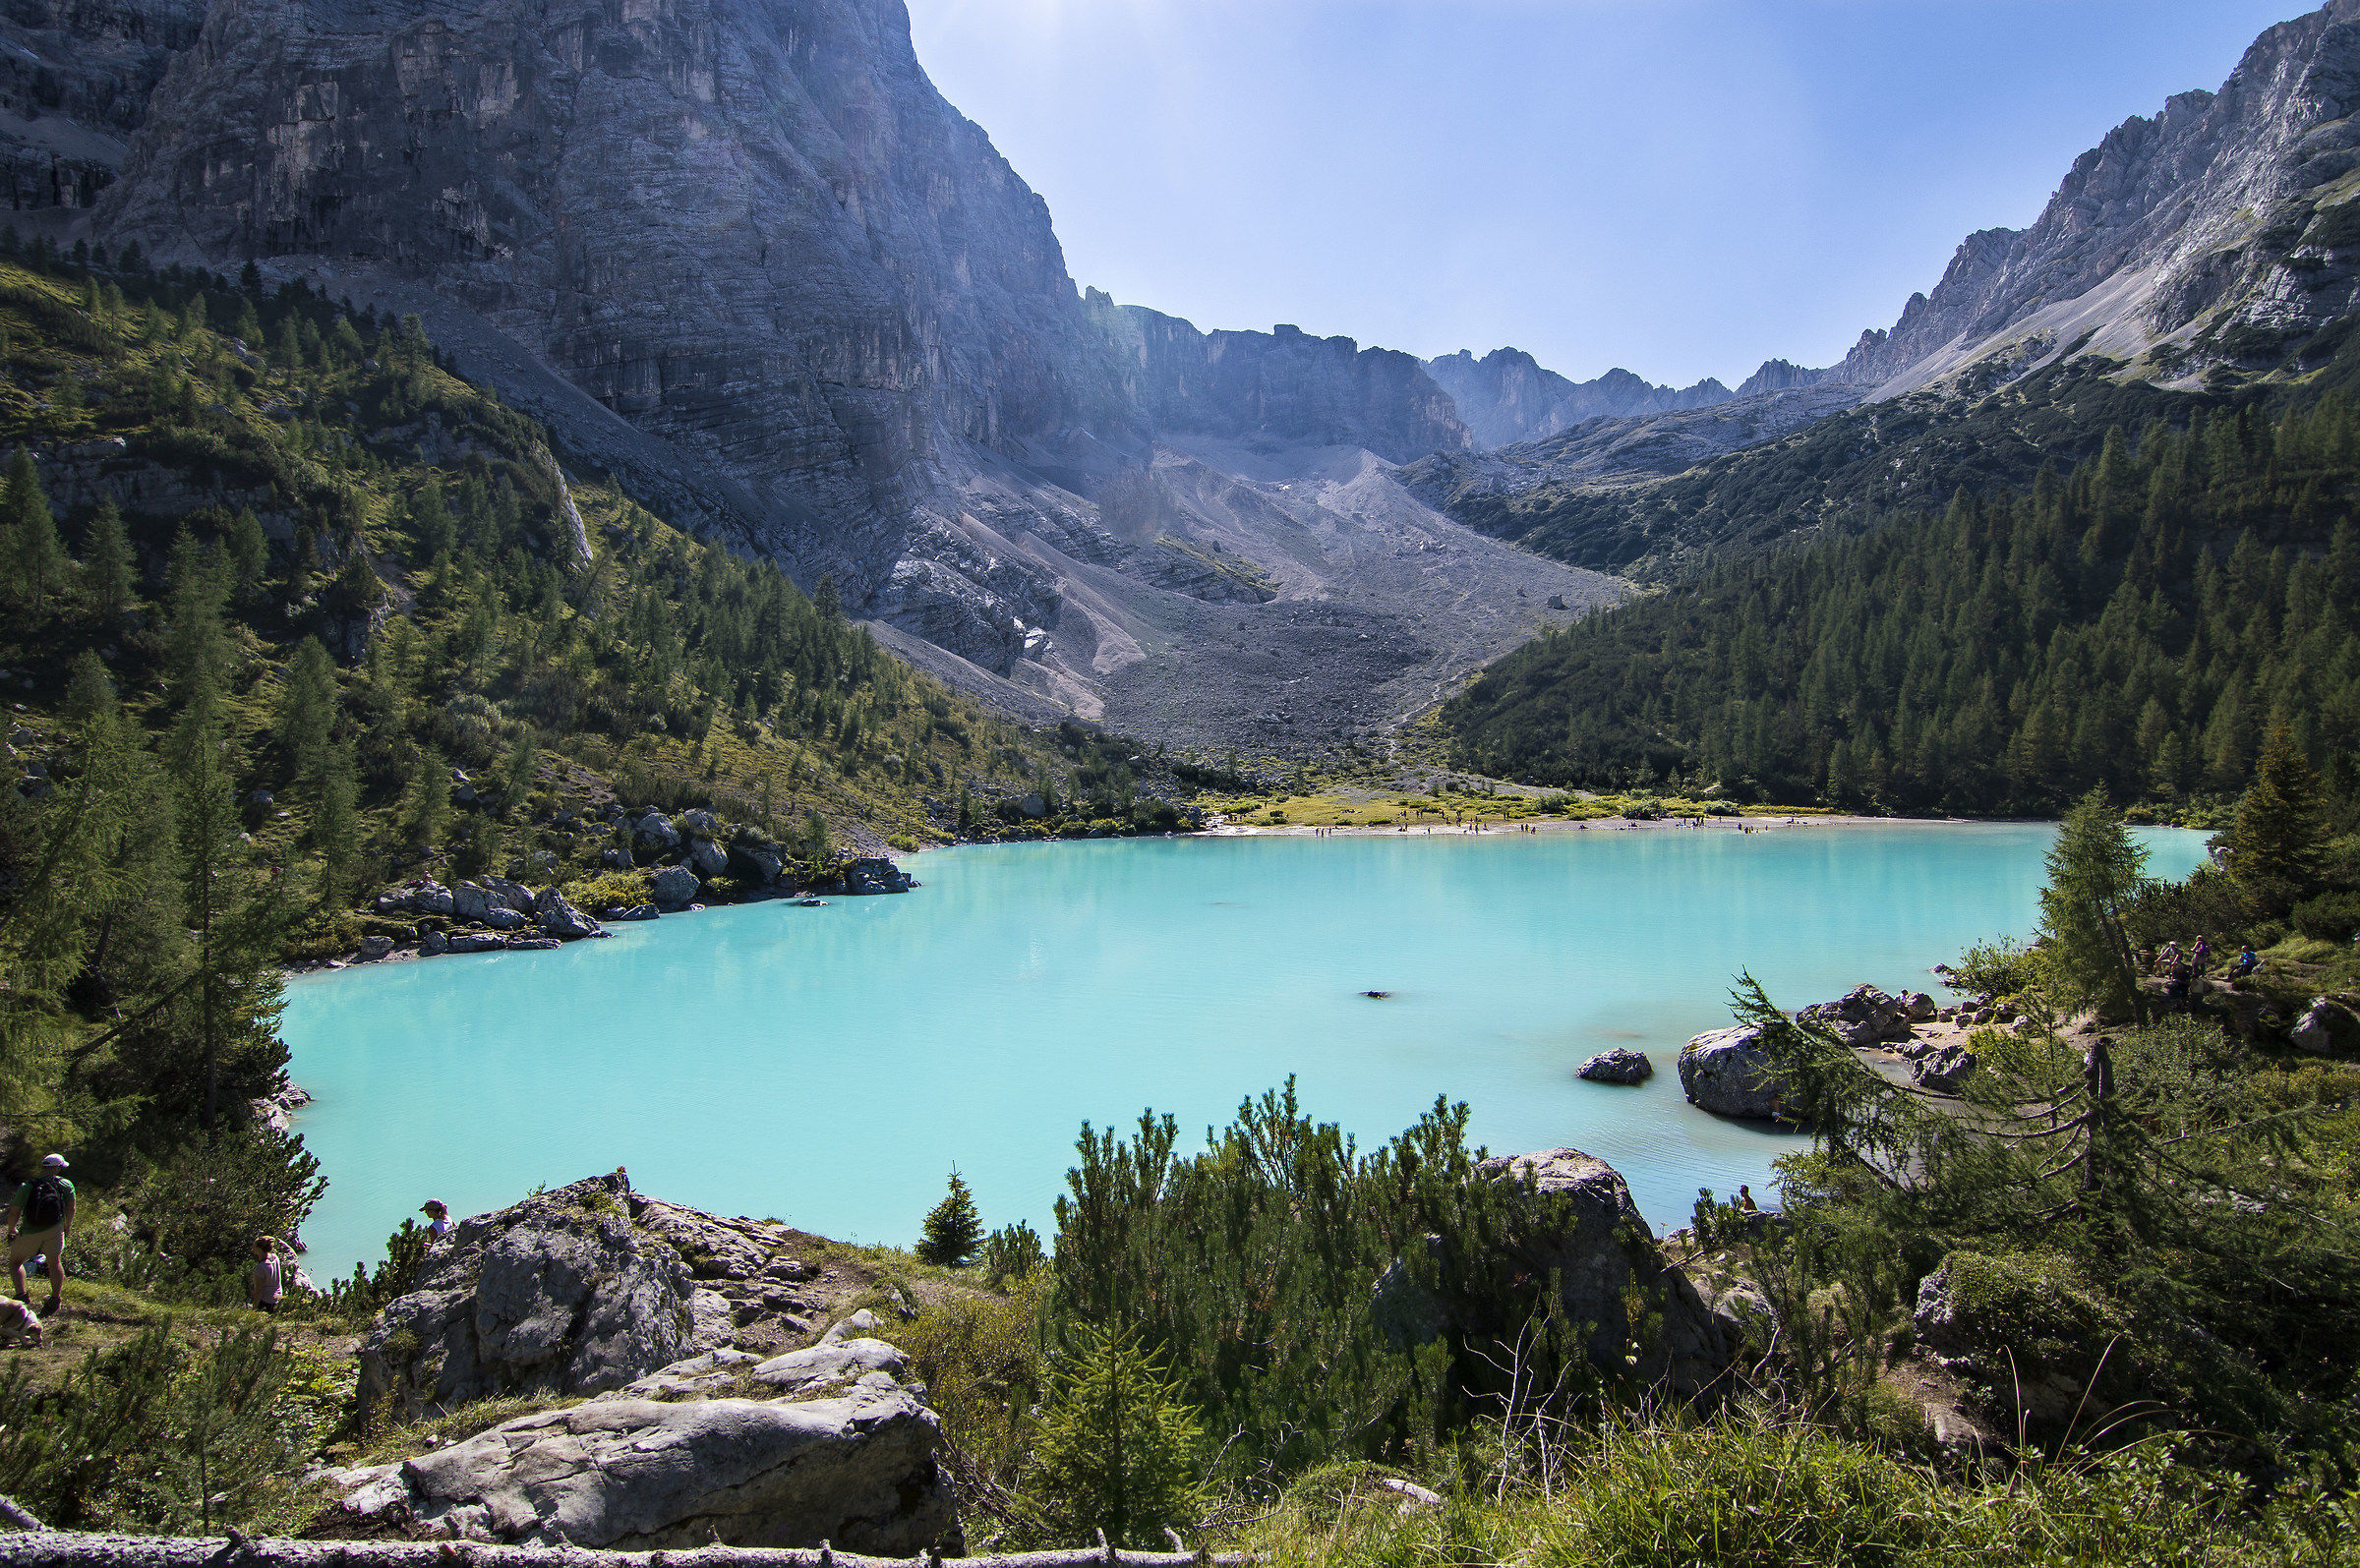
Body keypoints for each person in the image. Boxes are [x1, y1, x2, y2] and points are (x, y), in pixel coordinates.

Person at [6, 1154, 74, 1315]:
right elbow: (70, 1209)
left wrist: (11, 1229)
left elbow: (15, 1211)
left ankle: (21, 1296)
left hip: (30, 1231)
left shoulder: (27, 1186)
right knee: (54, 1262)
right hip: (55, 1230)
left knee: (15, 1262)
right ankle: (55, 1299)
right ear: (57, 1168)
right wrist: (67, 1227)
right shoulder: (65, 1184)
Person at [248, 1236, 283, 1313]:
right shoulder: (275, 1258)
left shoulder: (261, 1268)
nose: (253, 1248)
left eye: (254, 1246)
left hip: (267, 1300)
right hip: (278, 1296)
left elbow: (258, 1291)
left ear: (259, 1249)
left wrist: (254, 1309)